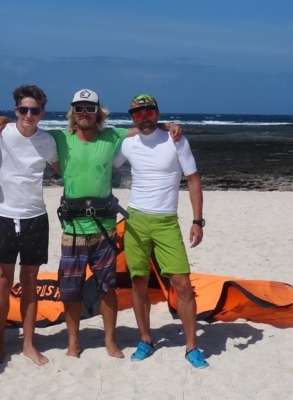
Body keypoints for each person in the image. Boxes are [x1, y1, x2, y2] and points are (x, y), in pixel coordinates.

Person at [0, 89, 183, 359]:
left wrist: (167, 125)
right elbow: (26, 126)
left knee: (107, 288)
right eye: (79, 108)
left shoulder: (113, 137)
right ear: (72, 113)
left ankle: (110, 341)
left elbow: (143, 127)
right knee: (70, 290)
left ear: (98, 113)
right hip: (72, 229)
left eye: (89, 108)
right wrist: (1, 119)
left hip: (104, 228)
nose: (84, 113)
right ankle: (73, 343)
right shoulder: (59, 137)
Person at [112, 94, 209, 368]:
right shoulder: (128, 143)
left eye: (149, 112)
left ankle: (192, 347)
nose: (144, 118)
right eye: (138, 114)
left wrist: (197, 221)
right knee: (137, 282)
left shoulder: (175, 139)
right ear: (132, 117)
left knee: (183, 285)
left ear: (158, 113)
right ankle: (145, 339)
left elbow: (193, 179)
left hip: (166, 222)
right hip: (136, 221)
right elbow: (106, 166)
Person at [0, 85, 59, 366]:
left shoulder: (48, 141)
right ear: (16, 111)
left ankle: (28, 344)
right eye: (23, 110)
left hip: (36, 217)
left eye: (34, 110)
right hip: (2, 216)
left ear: (42, 113)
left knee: (30, 283)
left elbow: (66, 168)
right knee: (3, 282)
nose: (29, 115)